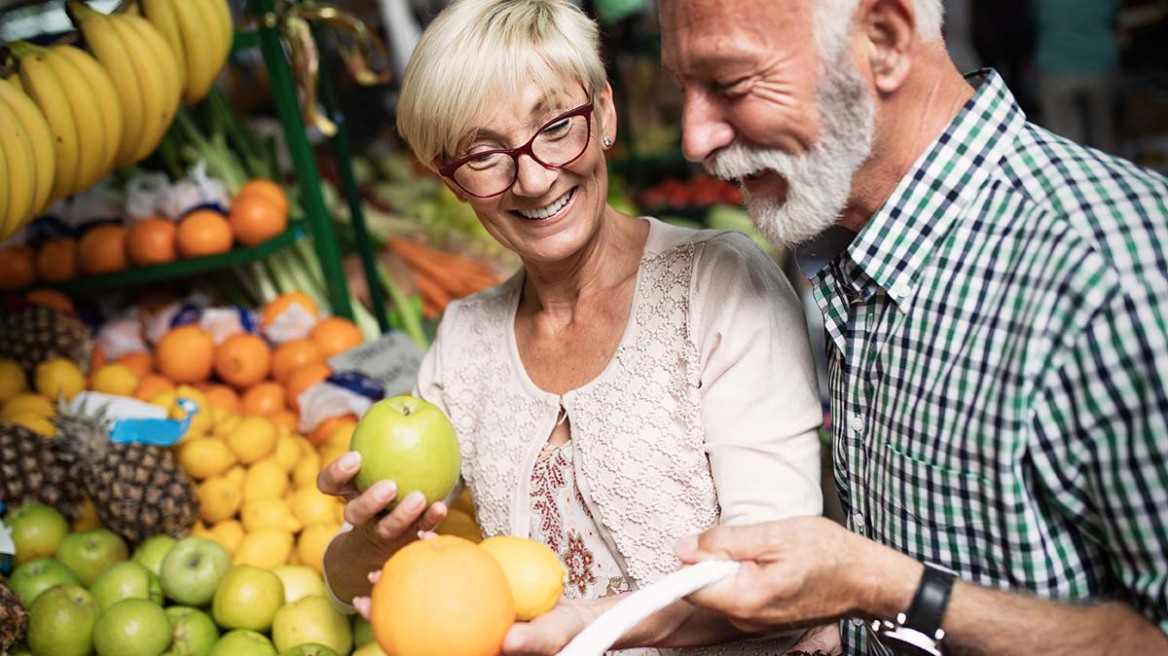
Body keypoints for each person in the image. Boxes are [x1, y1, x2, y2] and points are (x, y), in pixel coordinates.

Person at [649, 0, 1168, 654]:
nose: (695, 137)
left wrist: (881, 587)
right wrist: (852, 626)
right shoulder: (856, 233)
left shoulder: (1114, 276)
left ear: (886, 41)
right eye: (684, 88)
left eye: (730, 84)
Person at [317, 0, 826, 653]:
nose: (532, 177)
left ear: (605, 112)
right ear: (450, 182)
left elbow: (777, 576)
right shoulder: (464, 343)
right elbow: (371, 579)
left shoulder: (718, 287)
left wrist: (584, 627)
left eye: (557, 126)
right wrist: (369, 538)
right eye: (482, 154)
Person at [1032, 0, 1121, 154]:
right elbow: (1114, 14)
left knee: (1065, 143)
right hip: (1099, 64)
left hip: (1055, 67)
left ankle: (1072, 176)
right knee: (1105, 135)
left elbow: (1034, 15)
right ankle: (1110, 174)